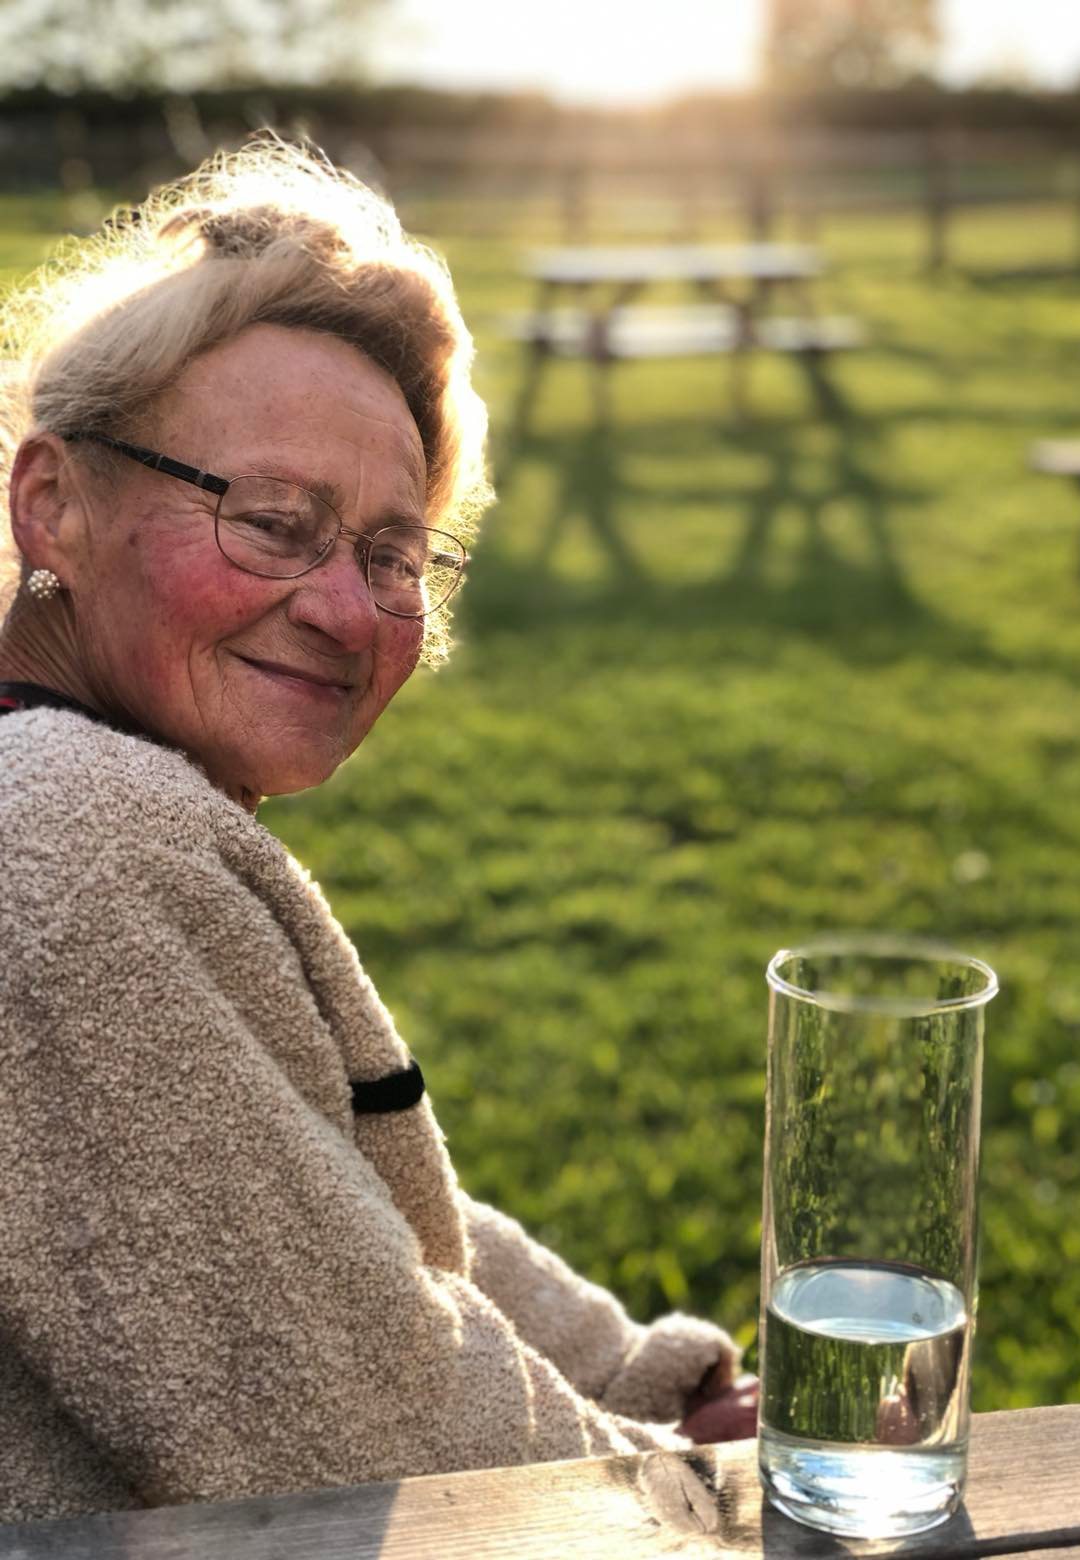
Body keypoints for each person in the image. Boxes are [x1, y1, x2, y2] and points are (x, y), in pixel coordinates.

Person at [0, 138, 756, 1525]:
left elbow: (312, 1191)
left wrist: (632, 1376)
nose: (350, 614)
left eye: (392, 557)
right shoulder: (76, 843)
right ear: (53, 504)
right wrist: (688, 1493)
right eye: (272, 521)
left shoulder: (75, 780)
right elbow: (355, 1423)